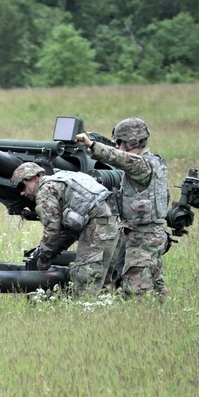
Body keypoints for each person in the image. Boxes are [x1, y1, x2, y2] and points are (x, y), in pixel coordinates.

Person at [74, 118, 169, 297]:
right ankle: (163, 315)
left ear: (132, 141)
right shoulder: (152, 162)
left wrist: (92, 145)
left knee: (135, 292)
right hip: (144, 234)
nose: (116, 146)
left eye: (119, 142)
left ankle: (141, 320)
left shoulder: (143, 164)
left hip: (144, 236)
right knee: (155, 284)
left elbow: (120, 159)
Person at [10, 161, 119, 296]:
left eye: (22, 186)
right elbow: (69, 231)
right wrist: (54, 250)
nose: (22, 193)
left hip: (97, 226)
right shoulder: (62, 178)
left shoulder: (45, 192)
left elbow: (52, 230)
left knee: (86, 278)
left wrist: (44, 258)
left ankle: (88, 312)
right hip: (112, 221)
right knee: (103, 278)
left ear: (35, 178)